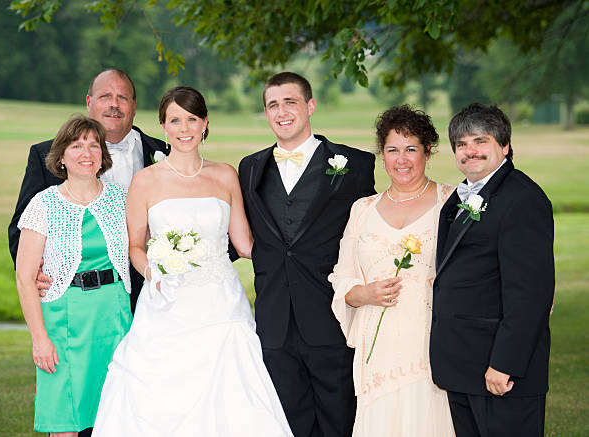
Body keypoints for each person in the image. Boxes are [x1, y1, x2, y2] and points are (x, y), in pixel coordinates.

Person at [92, 86, 293, 436]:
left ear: (204, 124)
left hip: (220, 303)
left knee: (233, 393)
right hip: (166, 302)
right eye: (174, 120)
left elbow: (244, 243)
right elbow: (135, 246)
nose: (183, 129)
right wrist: (154, 272)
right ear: (163, 126)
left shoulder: (225, 175)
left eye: (191, 119)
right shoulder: (145, 181)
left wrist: (295, 250)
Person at [238, 72, 376, 437]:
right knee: (288, 420)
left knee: (339, 417)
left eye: (290, 102)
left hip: (330, 314)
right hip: (274, 319)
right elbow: (237, 234)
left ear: (309, 106)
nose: (282, 112)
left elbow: (372, 232)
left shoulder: (356, 165)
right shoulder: (250, 168)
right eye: (273, 105)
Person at [328, 105, 456, 436]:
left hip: (431, 342)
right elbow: (341, 277)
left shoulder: (451, 203)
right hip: (379, 347)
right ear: (382, 154)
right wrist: (363, 293)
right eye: (392, 150)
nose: (401, 159)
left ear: (428, 152)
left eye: (411, 149)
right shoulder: (363, 209)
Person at [430, 103, 555, 437]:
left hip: (500, 372)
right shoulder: (459, 197)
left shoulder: (522, 200)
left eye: (480, 141)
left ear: (505, 146)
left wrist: (504, 364)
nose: (470, 151)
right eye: (461, 144)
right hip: (462, 366)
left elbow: (530, 295)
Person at [8, 68, 167, 312]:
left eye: (122, 98)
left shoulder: (165, 155)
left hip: (156, 289)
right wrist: (36, 270)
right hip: (78, 299)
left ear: (133, 106)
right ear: (89, 102)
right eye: (105, 96)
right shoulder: (45, 155)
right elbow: (23, 226)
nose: (114, 104)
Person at [15, 115, 133, 436]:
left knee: (117, 414)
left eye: (94, 145)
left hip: (115, 317)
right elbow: (25, 278)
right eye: (76, 145)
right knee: (65, 420)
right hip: (63, 321)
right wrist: (40, 339)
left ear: (102, 156)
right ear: (62, 156)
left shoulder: (122, 199)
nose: (86, 152)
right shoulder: (44, 204)